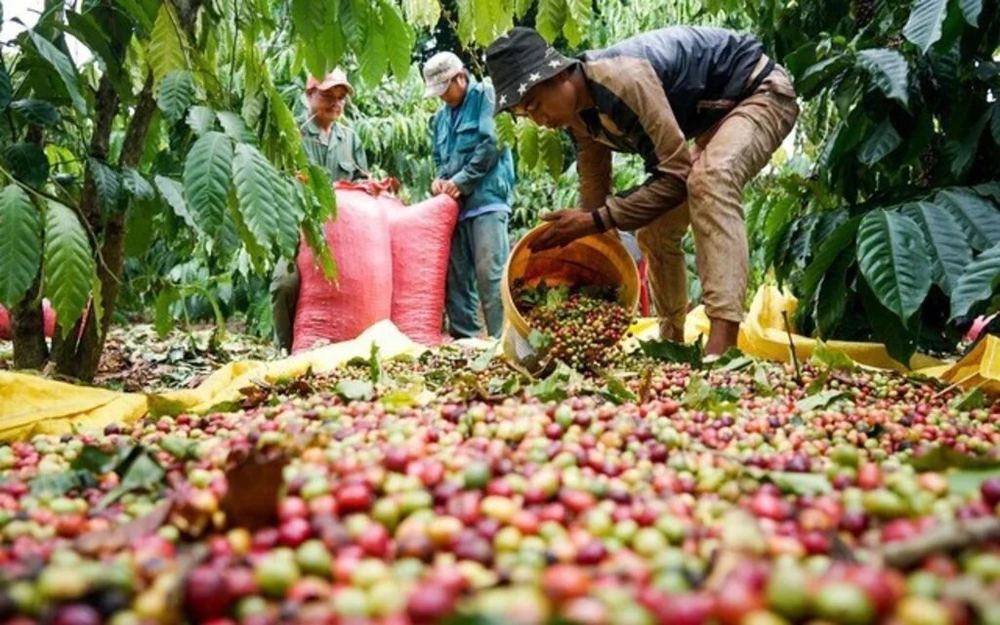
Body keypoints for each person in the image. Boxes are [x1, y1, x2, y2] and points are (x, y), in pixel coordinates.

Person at [485, 27, 799, 356]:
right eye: (525, 114)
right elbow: (593, 178)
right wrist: (588, 243)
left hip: (759, 92)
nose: (537, 120)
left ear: (559, 74)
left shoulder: (623, 80)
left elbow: (675, 177)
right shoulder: (580, 115)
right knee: (655, 229)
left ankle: (722, 346)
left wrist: (599, 220)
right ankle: (671, 340)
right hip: (712, 123)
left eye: (534, 106)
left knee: (710, 179)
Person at [271, 69, 369, 353]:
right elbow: (280, 184)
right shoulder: (293, 136)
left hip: (343, 236)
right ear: (308, 95)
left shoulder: (350, 139)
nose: (336, 103)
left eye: (341, 98)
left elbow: (362, 183)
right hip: (300, 231)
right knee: (284, 285)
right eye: (328, 95)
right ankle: (285, 351)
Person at [423, 51, 516, 339]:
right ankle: (465, 342)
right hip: (454, 208)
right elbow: (439, 158)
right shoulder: (440, 118)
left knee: (490, 275)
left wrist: (462, 181)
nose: (442, 97)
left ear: (460, 77)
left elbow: (492, 143)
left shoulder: (485, 96)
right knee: (456, 277)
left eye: (444, 89)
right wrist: (439, 181)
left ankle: (503, 341)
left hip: (487, 202)